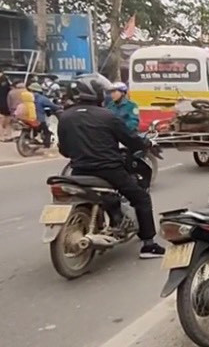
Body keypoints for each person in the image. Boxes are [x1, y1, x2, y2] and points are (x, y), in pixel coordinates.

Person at [57, 74, 165, 259]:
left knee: (109, 196)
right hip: (109, 170)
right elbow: (131, 140)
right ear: (98, 95)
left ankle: (114, 219)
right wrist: (145, 144)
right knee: (141, 198)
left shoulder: (65, 117)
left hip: (79, 171)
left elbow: (65, 150)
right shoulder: (107, 115)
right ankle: (149, 245)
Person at [28, 82, 58, 148]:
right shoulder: (42, 98)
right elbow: (52, 106)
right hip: (39, 119)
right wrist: (60, 107)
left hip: (26, 118)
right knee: (47, 132)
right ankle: (46, 147)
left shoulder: (26, 97)